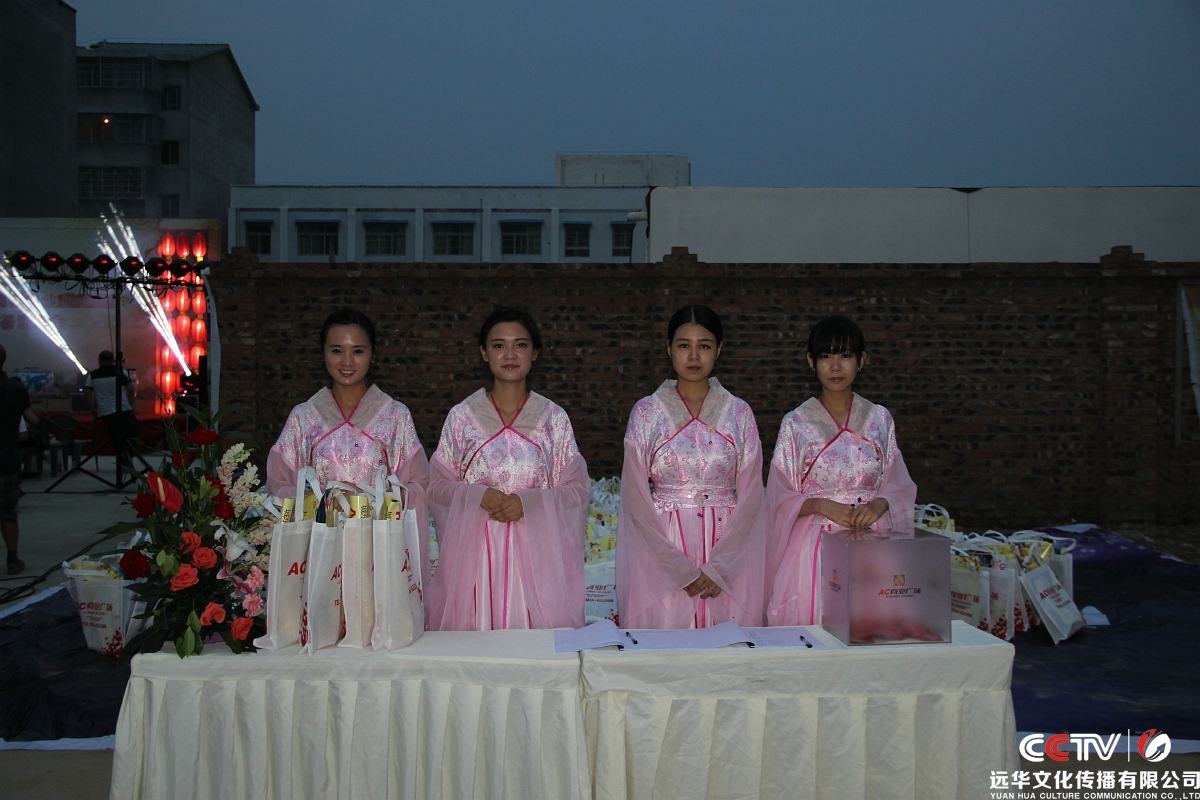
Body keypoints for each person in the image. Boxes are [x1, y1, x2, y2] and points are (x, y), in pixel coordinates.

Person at [426, 307, 590, 631]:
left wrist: (528, 503)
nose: (510, 354)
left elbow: (577, 490)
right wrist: (478, 496)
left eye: (521, 345)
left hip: (538, 563)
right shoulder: (463, 417)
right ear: (484, 352)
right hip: (474, 565)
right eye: (499, 345)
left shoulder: (553, 419)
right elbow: (436, 487)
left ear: (535, 352)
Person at [616, 305, 766, 629]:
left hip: (728, 547)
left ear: (719, 350)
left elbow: (753, 496)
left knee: (728, 648)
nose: (694, 356)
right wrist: (676, 568)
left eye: (705, 346)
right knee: (670, 647)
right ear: (669, 348)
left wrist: (721, 567)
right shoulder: (646, 413)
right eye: (684, 345)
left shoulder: (738, 413)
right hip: (663, 549)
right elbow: (635, 498)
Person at [764, 315, 917, 626]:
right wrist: (822, 505)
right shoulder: (796, 423)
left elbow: (898, 484)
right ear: (811, 361)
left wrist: (879, 504)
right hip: (814, 549)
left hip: (871, 540)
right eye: (825, 356)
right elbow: (778, 497)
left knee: (871, 628)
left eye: (845, 355)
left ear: (862, 360)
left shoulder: (879, 419)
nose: (835, 366)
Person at [266, 309, 431, 581]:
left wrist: (373, 498)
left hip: (378, 553)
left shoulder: (394, 416)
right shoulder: (304, 418)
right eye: (336, 350)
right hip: (319, 551)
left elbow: (419, 486)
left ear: (372, 355)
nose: (346, 361)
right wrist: (324, 502)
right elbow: (278, 484)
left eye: (357, 351)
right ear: (323, 353)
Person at [0, 345, 39, 574]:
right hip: (7, 459)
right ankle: (13, 559)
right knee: (7, 512)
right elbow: (31, 418)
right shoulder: (16, 388)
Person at [85, 350, 140, 467]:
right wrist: (130, 405)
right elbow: (130, 389)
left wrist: (92, 408)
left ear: (100, 360)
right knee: (133, 433)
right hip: (124, 409)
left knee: (115, 438)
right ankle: (129, 455)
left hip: (106, 412)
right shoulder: (121, 372)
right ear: (112, 360)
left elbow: (87, 392)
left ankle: (123, 458)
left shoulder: (93, 375)